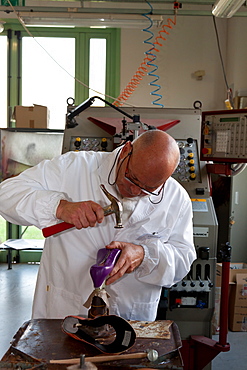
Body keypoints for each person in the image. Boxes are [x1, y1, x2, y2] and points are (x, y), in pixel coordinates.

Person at [0, 129, 196, 321]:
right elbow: (6, 195)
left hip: (132, 318)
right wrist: (58, 207)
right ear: (127, 150)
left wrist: (144, 254)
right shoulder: (74, 167)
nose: (135, 191)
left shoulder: (176, 199)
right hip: (65, 311)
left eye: (149, 189)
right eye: (132, 178)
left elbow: (183, 260)